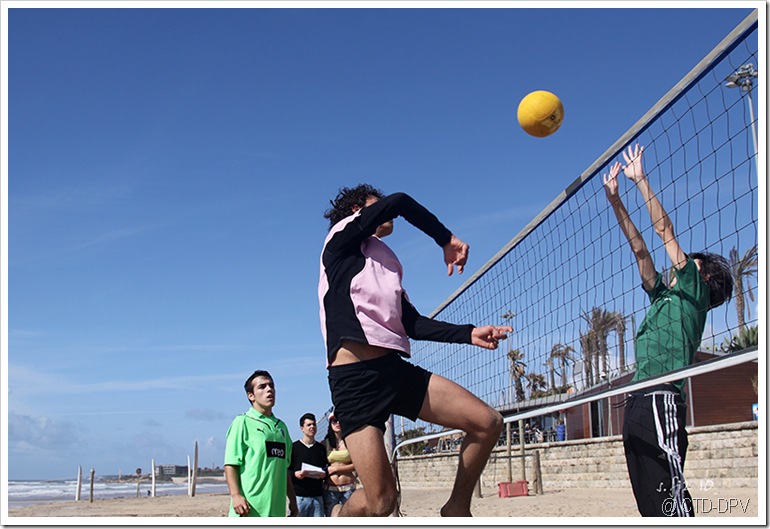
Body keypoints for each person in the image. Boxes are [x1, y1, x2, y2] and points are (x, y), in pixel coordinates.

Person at [318, 184, 512, 517]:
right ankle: (338, 516)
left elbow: (413, 324)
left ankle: (456, 508)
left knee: (487, 422)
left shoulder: (385, 261)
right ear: (357, 210)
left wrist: (469, 333)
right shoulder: (340, 240)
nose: (386, 211)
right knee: (382, 502)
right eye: (375, 205)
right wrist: (445, 238)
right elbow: (401, 201)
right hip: (355, 382)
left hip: (395, 372)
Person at [603, 144, 733, 517]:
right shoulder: (663, 296)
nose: (678, 261)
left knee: (670, 498)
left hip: (662, 398)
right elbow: (640, 250)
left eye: (687, 261)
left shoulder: (693, 294)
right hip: (637, 402)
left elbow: (664, 231)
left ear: (702, 277)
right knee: (650, 505)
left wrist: (639, 179)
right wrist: (615, 200)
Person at [224, 370, 299, 517]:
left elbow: (284, 469)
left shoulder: (281, 427)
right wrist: (236, 495)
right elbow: (230, 464)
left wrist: (293, 499)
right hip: (249, 509)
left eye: (271, 386)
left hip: (276, 511)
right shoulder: (242, 422)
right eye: (262, 387)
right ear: (250, 396)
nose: (269, 389)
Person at [289, 413, 327, 517]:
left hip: (317, 497)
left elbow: (325, 467)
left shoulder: (321, 448)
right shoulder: (293, 448)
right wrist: (296, 474)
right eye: (309, 425)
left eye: (314, 424)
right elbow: (287, 470)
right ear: (302, 428)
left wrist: (324, 473)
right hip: (299, 497)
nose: (312, 427)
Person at [322, 410, 357, 516]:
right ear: (330, 424)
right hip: (330, 489)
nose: (337, 423)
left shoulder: (351, 441)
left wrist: (336, 469)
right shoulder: (325, 443)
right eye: (334, 421)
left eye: (339, 421)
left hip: (348, 488)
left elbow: (357, 465)